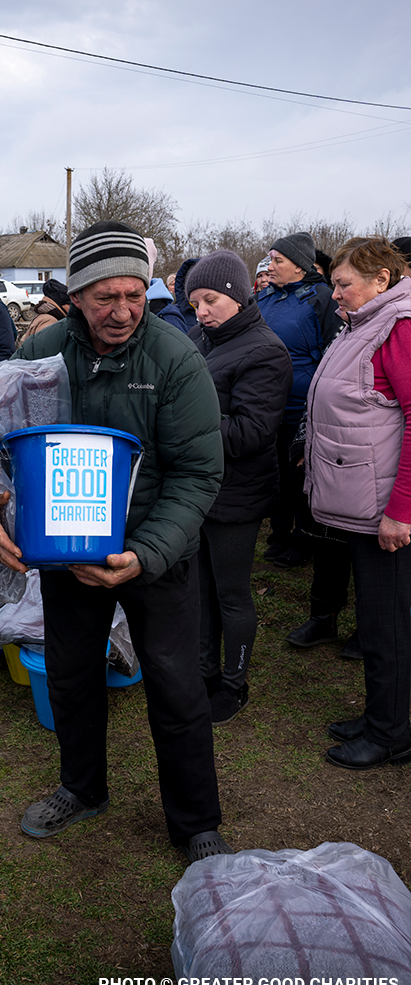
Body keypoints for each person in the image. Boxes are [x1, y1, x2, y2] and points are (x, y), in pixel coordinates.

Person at [0, 220, 231, 862]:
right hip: (65, 547)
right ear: (76, 295)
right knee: (72, 672)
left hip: (154, 552)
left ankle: (195, 822)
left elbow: (199, 472)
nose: (122, 311)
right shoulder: (42, 354)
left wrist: (147, 554)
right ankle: (81, 788)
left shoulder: (174, 358)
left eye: (134, 294)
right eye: (105, 296)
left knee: (175, 685)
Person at [306, 237, 411, 770]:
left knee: (385, 622)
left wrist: (402, 511)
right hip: (364, 497)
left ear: (382, 281)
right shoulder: (365, 324)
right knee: (375, 618)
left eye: (344, 284)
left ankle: (391, 733)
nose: (336, 294)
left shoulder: (399, 327)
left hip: (385, 510)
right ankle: (380, 716)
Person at [185, 251, 292, 724]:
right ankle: (205, 672)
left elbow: (252, 432)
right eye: (194, 303)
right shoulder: (200, 339)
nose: (201, 311)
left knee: (231, 592)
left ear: (235, 294)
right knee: (200, 587)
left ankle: (235, 682)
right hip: (197, 488)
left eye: (209, 300)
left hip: (237, 493)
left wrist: (183, 422)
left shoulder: (265, 350)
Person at [258, 231, 343, 567]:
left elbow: (332, 353)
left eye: (278, 260)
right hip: (266, 406)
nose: (271, 266)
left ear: (299, 266)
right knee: (274, 473)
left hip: (302, 408)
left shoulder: (322, 298)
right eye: (271, 259)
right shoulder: (265, 298)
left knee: (300, 478)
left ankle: (302, 539)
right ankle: (278, 533)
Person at [18, 278, 69, 345]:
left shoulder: (47, 318)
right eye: (69, 304)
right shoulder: (50, 321)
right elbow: (44, 351)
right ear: (61, 304)